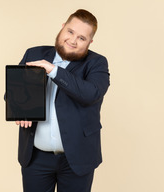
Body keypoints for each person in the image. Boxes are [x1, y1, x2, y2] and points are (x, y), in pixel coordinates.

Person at [14, 9, 110, 192]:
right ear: (63, 28)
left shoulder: (97, 63)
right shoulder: (33, 54)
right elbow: (14, 92)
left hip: (77, 160)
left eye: (82, 38)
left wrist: (53, 71)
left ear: (90, 42)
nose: (73, 41)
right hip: (35, 159)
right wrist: (20, 108)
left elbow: (91, 93)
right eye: (70, 32)